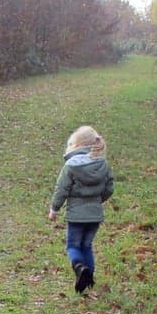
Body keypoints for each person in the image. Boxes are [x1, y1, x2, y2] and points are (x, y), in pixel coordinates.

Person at [48, 125, 114, 295]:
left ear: (77, 144)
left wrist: (54, 209)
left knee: (72, 246)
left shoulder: (71, 166)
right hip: (95, 215)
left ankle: (79, 268)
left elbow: (61, 189)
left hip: (76, 215)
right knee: (87, 245)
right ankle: (89, 278)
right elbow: (109, 189)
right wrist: (98, 202)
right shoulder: (103, 164)